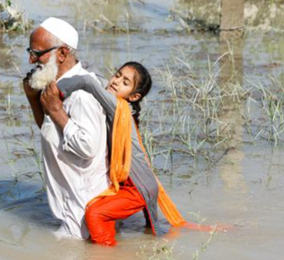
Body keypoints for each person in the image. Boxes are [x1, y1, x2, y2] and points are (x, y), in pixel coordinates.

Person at [54, 62, 187, 246]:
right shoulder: (121, 107)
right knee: (154, 235)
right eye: (117, 75)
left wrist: (55, 92)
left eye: (125, 82)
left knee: (95, 213)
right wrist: (82, 65)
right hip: (140, 183)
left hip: (137, 187)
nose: (116, 82)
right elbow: (96, 78)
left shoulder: (117, 107)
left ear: (134, 96)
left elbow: (88, 82)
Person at [22, 17, 110, 240]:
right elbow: (52, 130)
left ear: (62, 53)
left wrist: (58, 112)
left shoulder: (81, 93)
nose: (31, 59)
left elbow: (88, 146)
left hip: (82, 217)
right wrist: (34, 99)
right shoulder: (57, 87)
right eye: (30, 51)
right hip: (71, 212)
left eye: (38, 53)